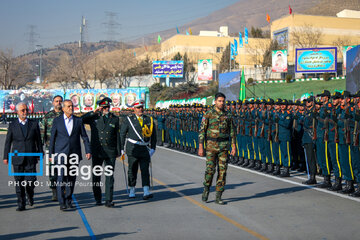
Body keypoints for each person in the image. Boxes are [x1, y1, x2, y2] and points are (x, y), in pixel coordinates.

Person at [49, 100, 91, 211]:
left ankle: (68, 199)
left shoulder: (78, 120)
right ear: (63, 108)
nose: (71, 108)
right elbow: (52, 138)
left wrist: (88, 150)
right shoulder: (57, 121)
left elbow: (84, 137)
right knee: (61, 178)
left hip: (74, 154)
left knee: (71, 179)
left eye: (72, 106)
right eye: (68, 106)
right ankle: (61, 202)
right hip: (61, 154)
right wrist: (51, 153)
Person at [82, 97, 121, 207]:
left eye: (107, 107)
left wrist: (119, 150)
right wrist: (92, 112)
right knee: (96, 176)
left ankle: (109, 200)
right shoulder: (94, 117)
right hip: (97, 150)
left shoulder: (114, 119)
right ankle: (98, 198)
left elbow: (117, 135)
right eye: (103, 107)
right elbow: (81, 120)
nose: (106, 109)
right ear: (100, 107)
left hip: (110, 151)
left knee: (109, 176)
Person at [3, 102, 42, 211]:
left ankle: (30, 194)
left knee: (31, 181)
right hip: (17, 158)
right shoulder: (12, 125)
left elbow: (38, 141)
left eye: (26, 110)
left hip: (31, 157)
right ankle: (21, 203)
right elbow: (8, 142)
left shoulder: (34, 124)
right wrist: (5, 156)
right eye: (22, 110)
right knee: (19, 181)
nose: (25, 112)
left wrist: (40, 153)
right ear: (17, 112)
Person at [198, 92, 236, 205]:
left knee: (222, 171)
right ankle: (206, 189)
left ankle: (218, 196)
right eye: (219, 101)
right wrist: (201, 146)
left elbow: (232, 131)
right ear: (215, 101)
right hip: (211, 146)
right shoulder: (208, 114)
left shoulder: (228, 115)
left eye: (223, 101)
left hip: (224, 147)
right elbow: (202, 131)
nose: (221, 103)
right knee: (210, 170)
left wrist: (233, 146)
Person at [120, 99, 157, 200]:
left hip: (145, 148)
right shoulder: (129, 119)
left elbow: (154, 135)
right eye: (138, 108)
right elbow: (122, 134)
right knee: (132, 169)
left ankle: (146, 190)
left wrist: (153, 148)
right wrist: (121, 148)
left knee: (145, 170)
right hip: (132, 148)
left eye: (141, 107)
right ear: (134, 109)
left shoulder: (149, 119)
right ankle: (132, 189)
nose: (140, 109)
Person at [39, 95, 63, 201]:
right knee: (52, 171)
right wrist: (40, 148)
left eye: (60, 101)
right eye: (56, 101)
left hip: (64, 147)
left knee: (65, 170)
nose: (58, 103)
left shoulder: (66, 115)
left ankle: (64, 190)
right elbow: (42, 133)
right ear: (53, 103)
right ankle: (54, 191)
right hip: (51, 148)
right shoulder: (47, 116)